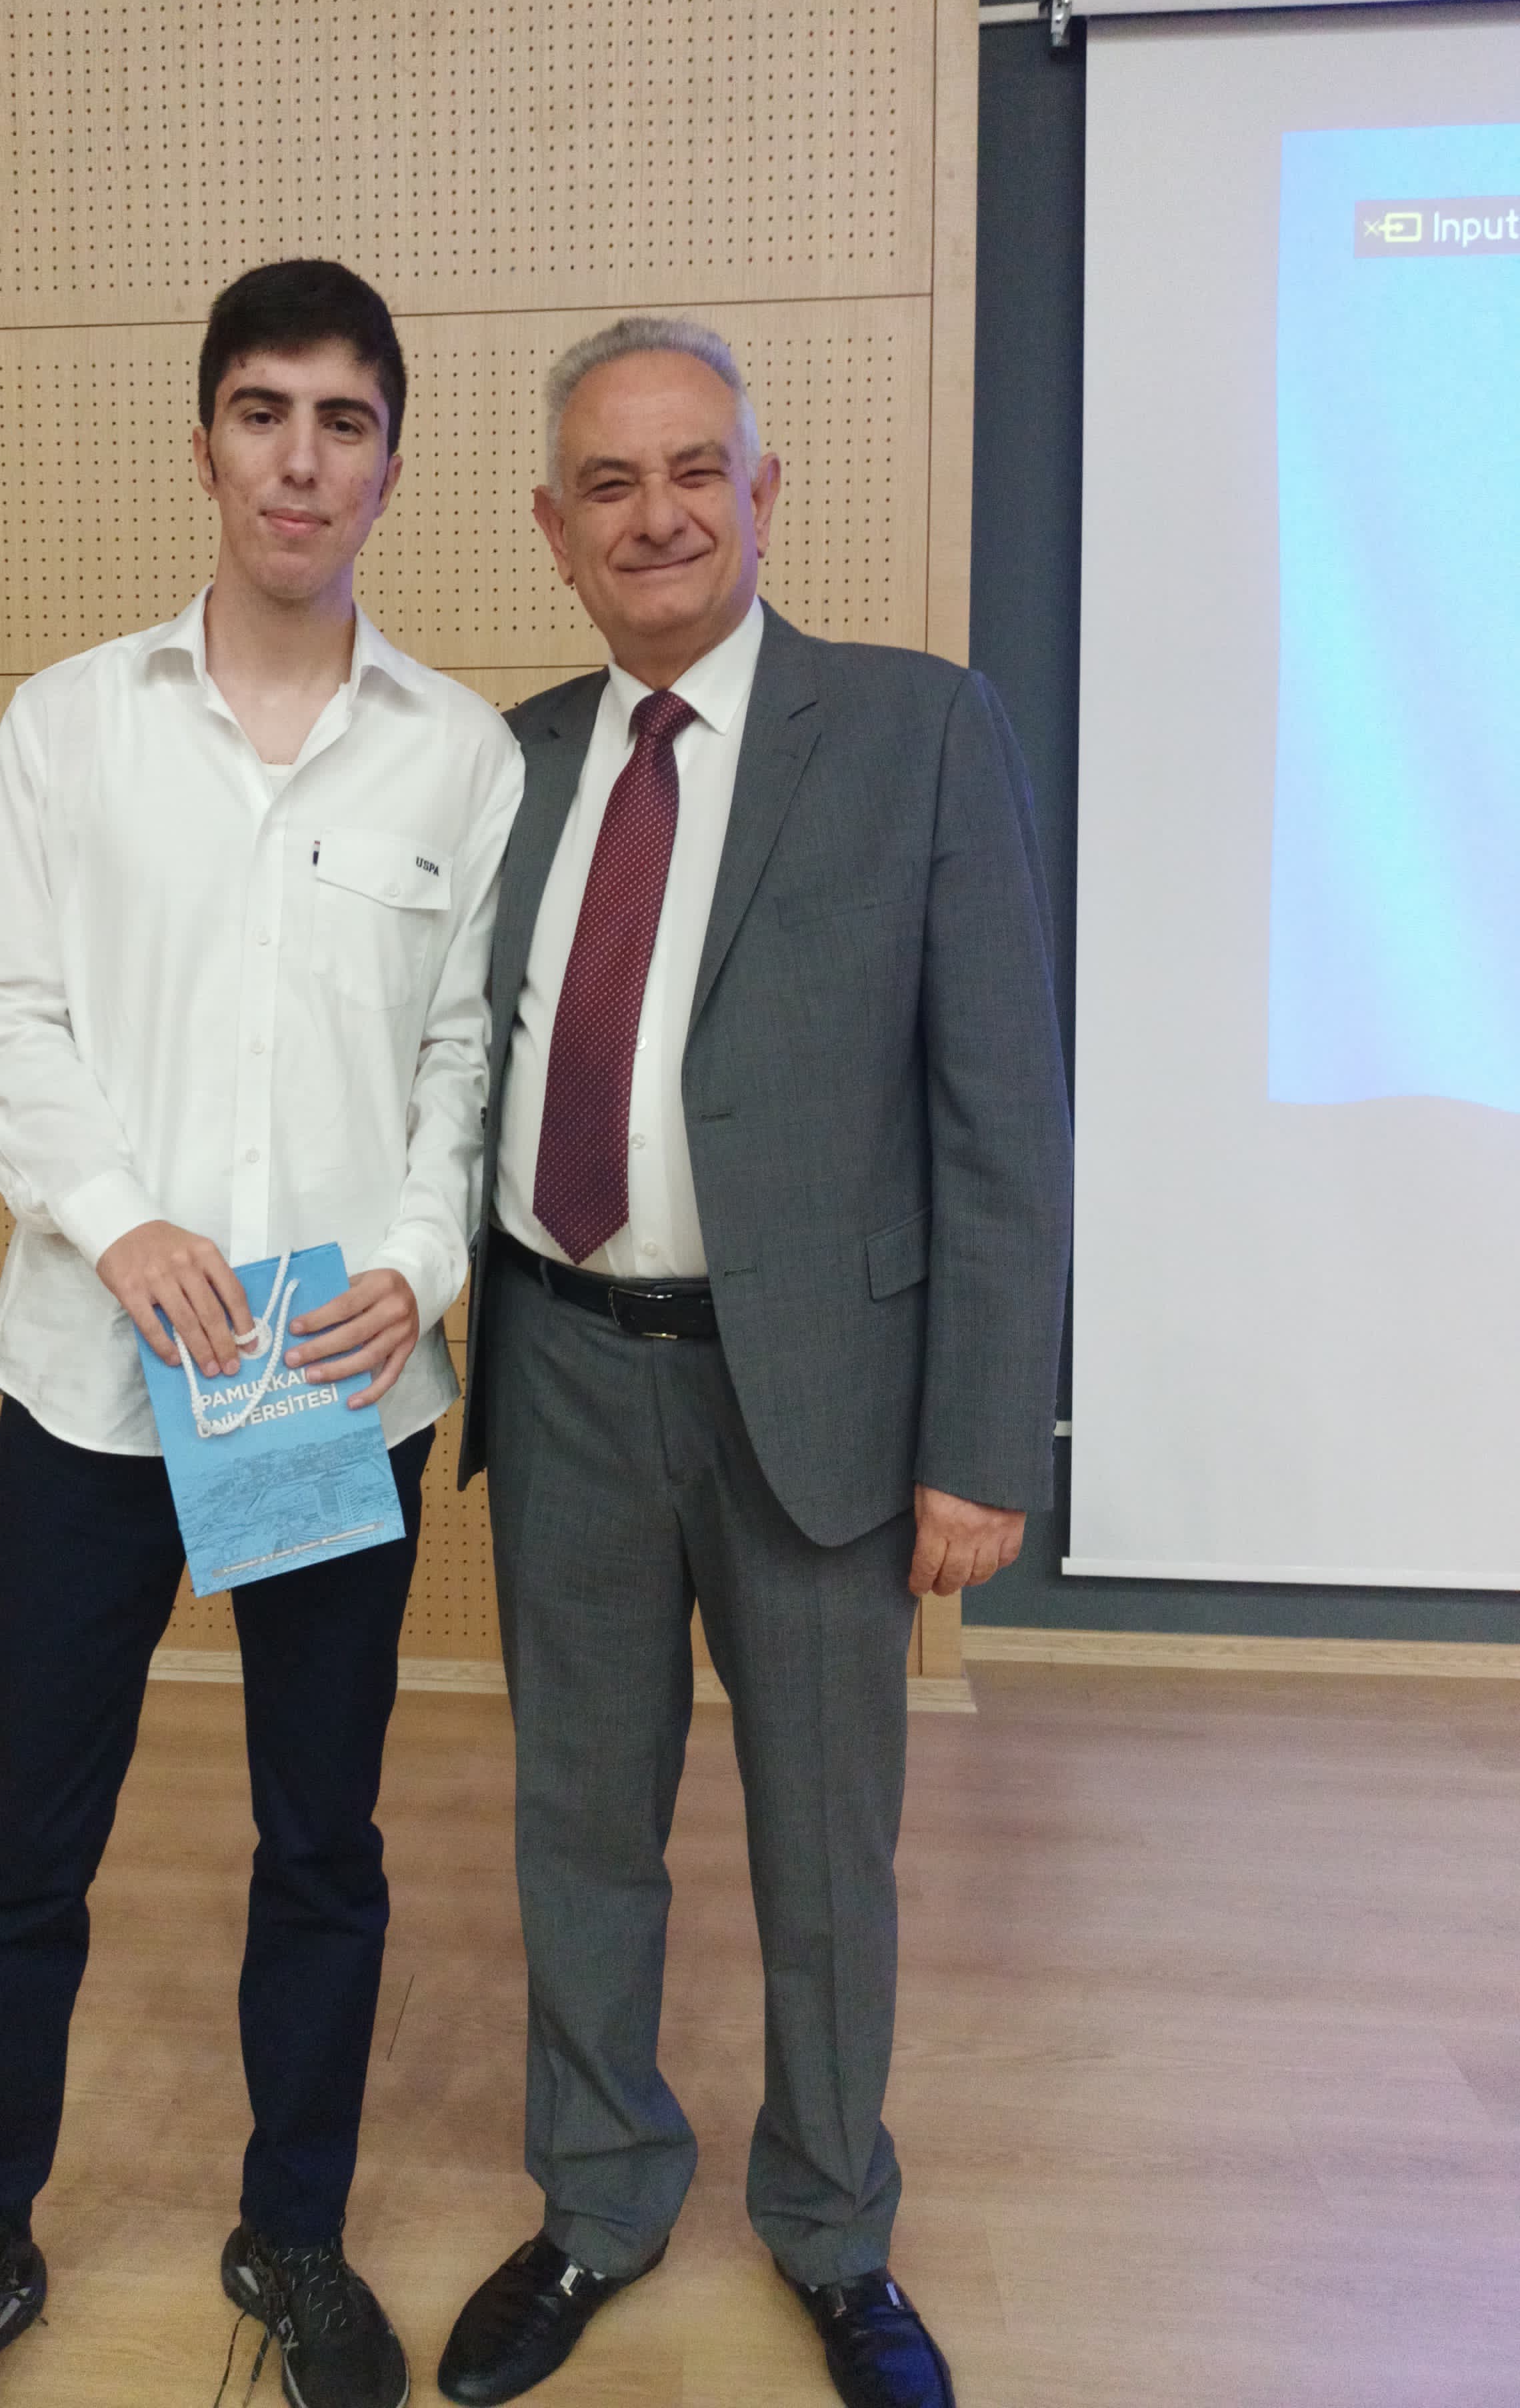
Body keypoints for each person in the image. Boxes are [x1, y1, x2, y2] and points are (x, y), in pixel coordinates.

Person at [0, 258, 521, 2408]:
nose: (301, 461)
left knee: (322, 1843)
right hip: (92, 1382)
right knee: (28, 1838)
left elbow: (463, 1061)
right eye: (263, 412)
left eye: (344, 421)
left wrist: (416, 1256)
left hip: (328, 1384)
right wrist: (120, 1221)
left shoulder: (458, 758)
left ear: (391, 463)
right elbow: (4, 1015)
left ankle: (293, 2237)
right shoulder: (71, 722)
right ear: (207, 441)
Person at [433, 319, 1071, 2408]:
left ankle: (831, 2230)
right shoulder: (507, 764)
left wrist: (982, 1437)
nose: (658, 516)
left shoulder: (915, 729)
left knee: (823, 1854)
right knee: (578, 1828)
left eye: (695, 469)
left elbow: (1002, 1113)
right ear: (554, 532)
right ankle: (599, 2202)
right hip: (562, 1377)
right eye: (609, 486)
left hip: (818, 1402)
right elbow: (364, 1010)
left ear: (764, 493)